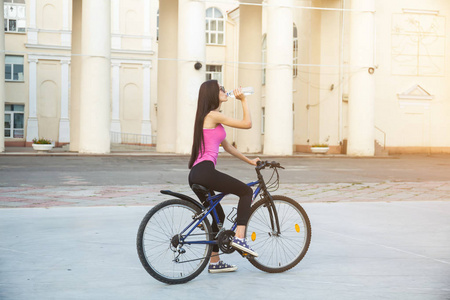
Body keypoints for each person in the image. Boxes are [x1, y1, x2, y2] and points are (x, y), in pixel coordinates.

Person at [188, 80, 260, 274]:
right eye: (220, 88)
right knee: (246, 192)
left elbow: (228, 147)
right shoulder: (213, 115)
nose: (224, 90)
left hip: (196, 174)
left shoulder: (209, 118)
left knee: (218, 215)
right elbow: (247, 124)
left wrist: (250, 161)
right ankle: (240, 237)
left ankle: (214, 261)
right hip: (205, 171)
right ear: (213, 93)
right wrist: (243, 100)